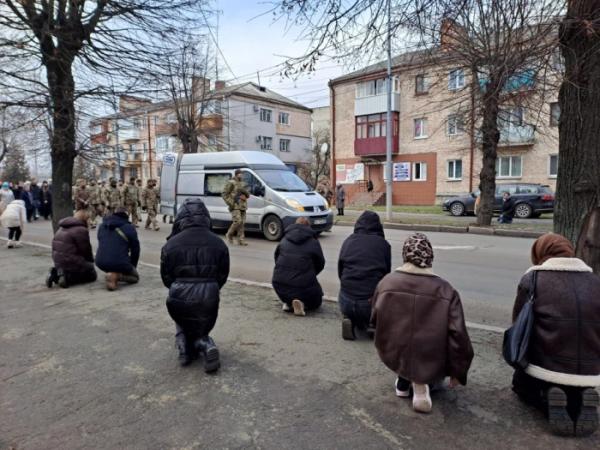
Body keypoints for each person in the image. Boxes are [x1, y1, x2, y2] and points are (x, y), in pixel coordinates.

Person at [370, 233, 474, 414]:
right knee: (426, 353)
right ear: (429, 256)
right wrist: (459, 371)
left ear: (405, 254)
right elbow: (458, 335)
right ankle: (423, 384)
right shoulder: (445, 289)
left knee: (404, 342)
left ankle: (404, 381)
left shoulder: (387, 283)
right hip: (430, 355)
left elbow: (374, 319)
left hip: (395, 350)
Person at [510, 233, 600, 437]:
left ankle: (545, 398)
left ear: (538, 252)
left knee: (520, 386)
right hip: (591, 368)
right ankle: (581, 398)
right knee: (574, 389)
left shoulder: (533, 279)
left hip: (545, 364)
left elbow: (518, 323)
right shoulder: (595, 282)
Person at [160, 199, 230, 372]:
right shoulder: (218, 243)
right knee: (200, 323)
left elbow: (166, 277)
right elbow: (223, 274)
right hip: (209, 294)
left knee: (182, 314)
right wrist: (212, 288)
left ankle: (185, 348)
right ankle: (205, 343)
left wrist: (177, 287)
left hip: (179, 292)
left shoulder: (171, 244)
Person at [338, 211, 391, 340]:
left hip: (346, 300)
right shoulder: (383, 245)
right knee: (384, 298)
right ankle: (372, 324)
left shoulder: (348, 241)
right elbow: (386, 276)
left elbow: (341, 271)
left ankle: (350, 317)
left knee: (349, 295)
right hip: (369, 303)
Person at [272, 217, 325, 316]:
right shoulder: (313, 242)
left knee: (289, 290)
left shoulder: (284, 240)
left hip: (279, 284)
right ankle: (302, 304)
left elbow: (277, 259)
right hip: (303, 285)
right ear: (308, 227)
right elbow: (320, 263)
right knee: (317, 301)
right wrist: (310, 273)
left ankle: (288, 303)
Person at [47, 210, 97, 288]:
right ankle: (68, 278)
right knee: (92, 274)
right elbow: (85, 249)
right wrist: (90, 262)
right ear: (85, 219)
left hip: (58, 260)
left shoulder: (62, 228)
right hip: (71, 260)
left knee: (75, 266)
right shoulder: (81, 230)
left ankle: (55, 274)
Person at [95, 206, 140, 291]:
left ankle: (111, 273)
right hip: (119, 263)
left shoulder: (102, 226)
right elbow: (135, 250)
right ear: (126, 216)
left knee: (113, 262)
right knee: (135, 277)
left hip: (100, 262)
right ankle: (116, 276)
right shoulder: (129, 228)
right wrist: (132, 266)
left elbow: (101, 242)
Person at [222, 169, 250, 246]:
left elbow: (248, 194)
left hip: (243, 205)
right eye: (240, 174)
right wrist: (231, 203)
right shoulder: (231, 182)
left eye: (242, 174)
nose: (241, 175)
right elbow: (224, 194)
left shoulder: (243, 183)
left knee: (242, 223)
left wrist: (245, 196)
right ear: (236, 174)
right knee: (238, 221)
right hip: (235, 205)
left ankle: (241, 240)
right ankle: (229, 234)